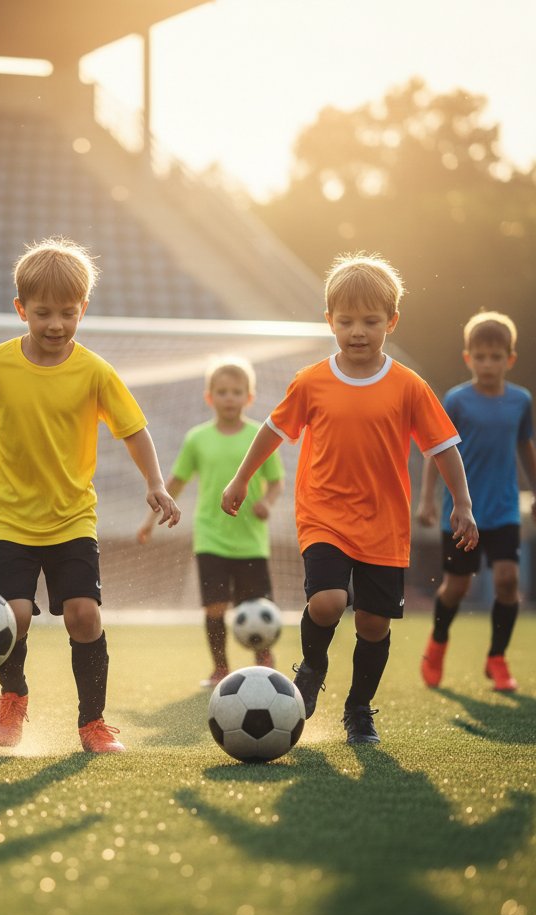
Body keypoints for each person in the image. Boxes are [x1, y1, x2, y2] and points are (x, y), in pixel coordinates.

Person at [0, 237, 181, 754]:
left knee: (84, 615)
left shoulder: (95, 372)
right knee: (14, 616)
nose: (56, 324)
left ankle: (93, 724)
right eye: (43, 313)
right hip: (9, 520)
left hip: (71, 520)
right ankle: (13, 695)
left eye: (68, 312)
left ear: (83, 309)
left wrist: (154, 482)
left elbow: (134, 430)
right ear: (21, 309)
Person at [221, 253, 478, 745]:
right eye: (346, 321)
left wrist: (461, 504)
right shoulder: (311, 381)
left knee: (374, 623)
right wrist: (240, 479)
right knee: (328, 601)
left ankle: (359, 710)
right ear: (329, 322)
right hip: (324, 514)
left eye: (370, 321)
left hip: (384, 523)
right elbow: (273, 432)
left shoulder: (408, 386)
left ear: (391, 322)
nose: (357, 331)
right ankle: (311, 669)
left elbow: (443, 448)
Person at [137, 355, 284, 688]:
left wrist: (266, 502)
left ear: (249, 397)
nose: (229, 398)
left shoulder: (260, 437)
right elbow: (175, 481)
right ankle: (220, 668)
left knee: (256, 608)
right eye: (222, 392)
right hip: (211, 537)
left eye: (236, 392)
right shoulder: (197, 438)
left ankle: (263, 660)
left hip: (250, 539)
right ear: (209, 397)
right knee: (215, 607)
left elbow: (276, 481)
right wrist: (149, 519)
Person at [416, 310, 536, 692]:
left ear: (509, 359)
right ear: (468, 358)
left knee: (507, 580)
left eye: (495, 357)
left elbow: (524, 447)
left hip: (503, 511)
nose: (487, 363)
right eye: (480, 356)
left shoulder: (521, 401)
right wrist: (429, 501)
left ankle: (497, 659)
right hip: (462, 513)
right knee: (457, 588)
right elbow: (435, 450)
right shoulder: (457, 400)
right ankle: (437, 644)